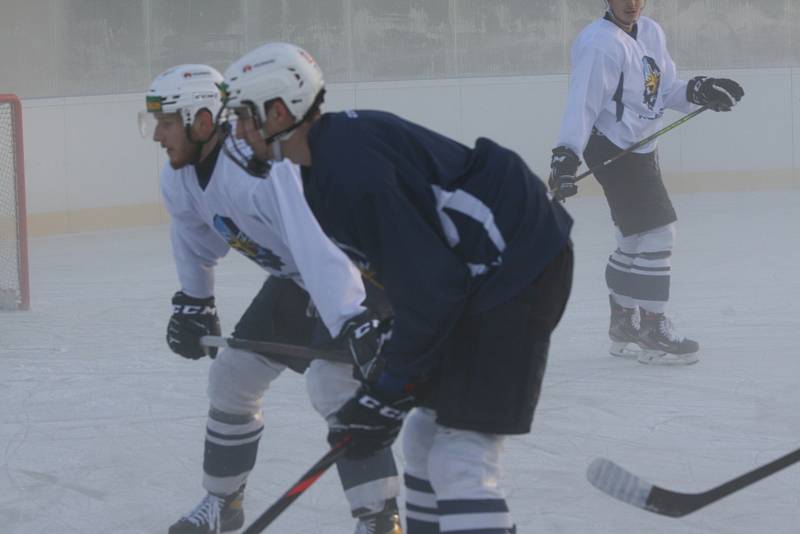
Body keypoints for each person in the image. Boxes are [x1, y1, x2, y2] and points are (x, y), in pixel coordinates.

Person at [219, 42, 574, 534]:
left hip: (516, 267)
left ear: (279, 111)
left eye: (243, 116)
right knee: (425, 440)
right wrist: (389, 383)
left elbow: (433, 289)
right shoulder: (321, 165)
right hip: (486, 273)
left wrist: (386, 391)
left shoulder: (347, 170)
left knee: (461, 457)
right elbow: (416, 281)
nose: (237, 131)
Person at [139, 64, 402, 534]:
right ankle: (224, 503)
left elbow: (320, 241)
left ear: (202, 121)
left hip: (366, 272)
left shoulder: (258, 171)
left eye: (166, 122)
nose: (157, 135)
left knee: (333, 383)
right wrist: (195, 302)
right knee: (233, 374)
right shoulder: (179, 177)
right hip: (302, 276)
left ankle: (380, 519)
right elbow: (194, 235)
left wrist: (352, 318)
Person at [549, 0, 744, 365]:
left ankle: (624, 323)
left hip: (640, 146)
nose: (632, 3)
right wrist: (565, 156)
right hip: (611, 147)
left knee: (635, 236)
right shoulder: (599, 44)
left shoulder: (651, 32)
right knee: (659, 231)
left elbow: (663, 89)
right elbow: (582, 105)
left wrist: (700, 90)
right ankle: (652, 329)